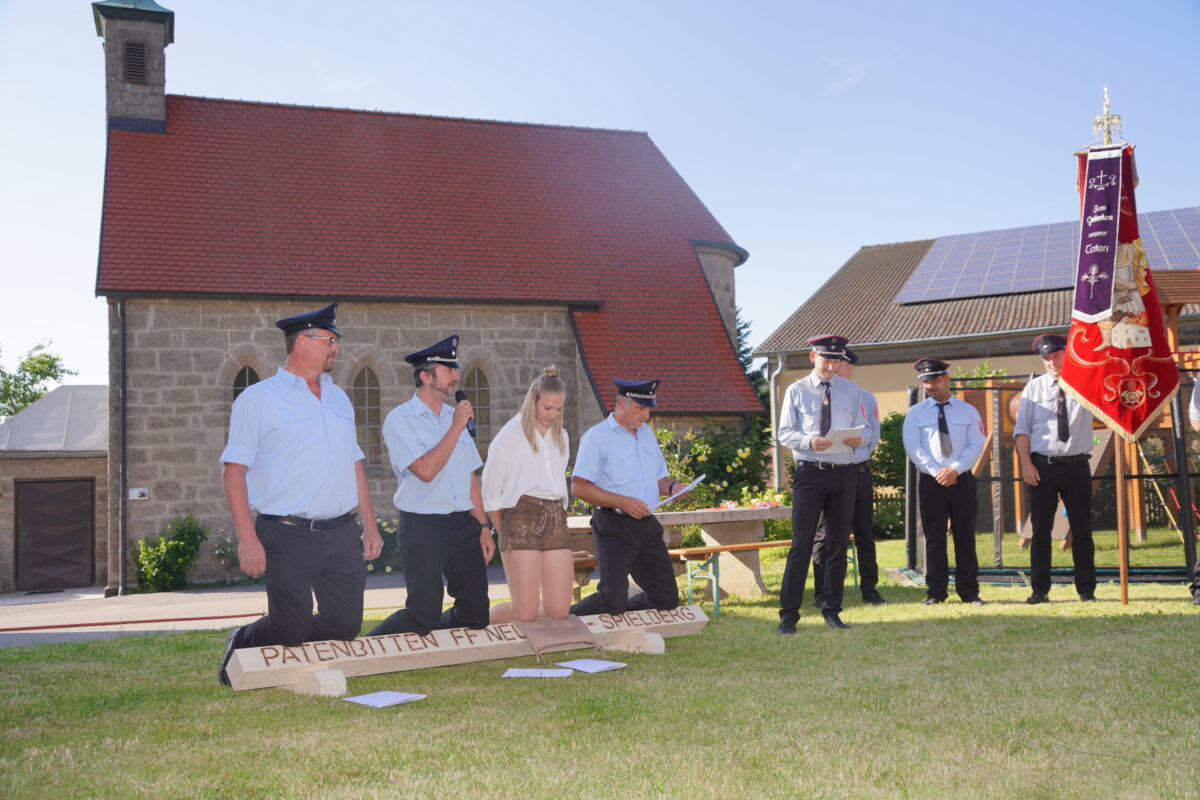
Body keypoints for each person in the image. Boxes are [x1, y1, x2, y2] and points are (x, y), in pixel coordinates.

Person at [217, 302, 383, 686]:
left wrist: (370, 527)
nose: (335, 349)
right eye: (329, 341)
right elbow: (234, 471)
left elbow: (354, 465)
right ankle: (243, 639)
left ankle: (306, 664)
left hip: (342, 531)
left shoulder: (339, 398)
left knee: (344, 625)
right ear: (302, 343)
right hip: (286, 532)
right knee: (289, 628)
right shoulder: (258, 400)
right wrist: (247, 538)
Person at [366, 335, 494, 637]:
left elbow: (468, 476)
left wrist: (484, 526)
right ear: (426, 376)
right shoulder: (400, 420)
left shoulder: (455, 417)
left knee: (477, 615)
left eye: (456, 369)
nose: (457, 375)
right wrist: (455, 428)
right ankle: (368, 647)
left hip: (464, 524)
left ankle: (439, 641)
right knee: (422, 615)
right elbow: (425, 470)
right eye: (448, 370)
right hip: (423, 524)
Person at [568, 379, 690, 617]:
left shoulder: (647, 435)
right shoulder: (597, 437)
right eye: (641, 409)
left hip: (646, 524)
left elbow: (659, 481)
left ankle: (623, 617)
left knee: (666, 599)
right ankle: (566, 619)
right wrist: (622, 501)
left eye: (649, 409)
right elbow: (579, 488)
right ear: (622, 404)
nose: (647, 415)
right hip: (613, 524)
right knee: (612, 600)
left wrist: (674, 487)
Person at [776, 335, 869, 633]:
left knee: (837, 545)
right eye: (826, 359)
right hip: (810, 473)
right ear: (812, 357)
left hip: (844, 473)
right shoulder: (796, 390)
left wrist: (861, 437)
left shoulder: (852, 391)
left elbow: (865, 429)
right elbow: (784, 433)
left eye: (836, 360)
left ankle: (832, 609)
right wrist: (808, 440)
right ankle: (788, 615)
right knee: (801, 545)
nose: (831, 366)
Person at [482, 367, 573, 623]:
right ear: (533, 399)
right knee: (525, 612)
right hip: (520, 517)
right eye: (547, 408)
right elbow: (490, 490)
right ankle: (482, 623)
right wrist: (504, 530)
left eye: (558, 409)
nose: (552, 415)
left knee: (559, 610)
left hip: (555, 516)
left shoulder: (561, 437)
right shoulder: (509, 436)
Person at [1013, 334, 1098, 604]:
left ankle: (1086, 590)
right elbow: (1022, 431)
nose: (1052, 361)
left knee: (1082, 531)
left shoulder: (1085, 383)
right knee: (1040, 532)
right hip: (1042, 467)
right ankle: (1039, 590)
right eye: (1046, 357)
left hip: (1077, 466)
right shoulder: (1034, 389)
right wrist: (1026, 465)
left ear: (1067, 354)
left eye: (1056, 355)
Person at [902, 358, 986, 606]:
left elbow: (976, 444)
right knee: (934, 537)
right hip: (931, 481)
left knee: (965, 536)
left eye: (935, 380)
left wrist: (955, 469)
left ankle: (969, 592)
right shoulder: (915, 413)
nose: (931, 386)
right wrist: (937, 471)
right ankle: (936, 592)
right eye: (926, 382)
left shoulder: (968, 411)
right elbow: (913, 446)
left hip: (961, 480)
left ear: (947, 378)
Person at [813, 348, 888, 606]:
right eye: (831, 361)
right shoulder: (820, 394)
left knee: (865, 533)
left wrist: (854, 454)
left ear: (850, 367)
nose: (834, 367)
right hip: (831, 473)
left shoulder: (866, 398)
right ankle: (822, 592)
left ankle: (870, 590)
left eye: (840, 363)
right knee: (826, 535)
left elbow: (873, 435)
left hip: (858, 471)